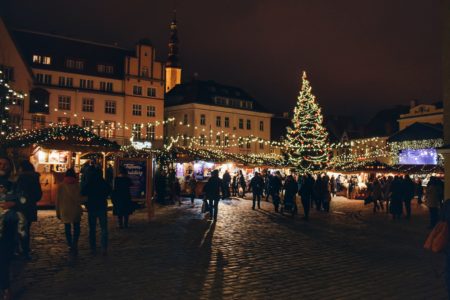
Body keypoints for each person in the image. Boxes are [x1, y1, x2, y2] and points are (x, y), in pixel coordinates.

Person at [0, 178, 25, 300]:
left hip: (6, 231)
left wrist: (15, 204)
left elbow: (24, 201)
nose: (2, 166)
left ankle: (5, 288)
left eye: (5, 164)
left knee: (3, 261)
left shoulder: (14, 185)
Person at [14, 160, 42, 260]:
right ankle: (25, 250)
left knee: (18, 229)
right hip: (30, 207)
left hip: (19, 207)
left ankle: (19, 250)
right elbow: (38, 195)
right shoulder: (34, 178)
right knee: (26, 229)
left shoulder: (19, 178)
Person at [84, 168, 111, 255]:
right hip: (102, 206)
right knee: (103, 228)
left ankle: (93, 247)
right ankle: (104, 247)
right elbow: (109, 190)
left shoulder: (89, 183)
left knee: (92, 229)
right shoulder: (103, 182)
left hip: (92, 207)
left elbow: (83, 192)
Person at [56, 168, 83, 254]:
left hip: (65, 209)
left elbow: (57, 200)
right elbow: (80, 198)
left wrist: (57, 211)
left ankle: (70, 244)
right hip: (75, 209)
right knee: (76, 227)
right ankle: (75, 243)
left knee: (67, 228)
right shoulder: (77, 185)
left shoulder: (61, 185)